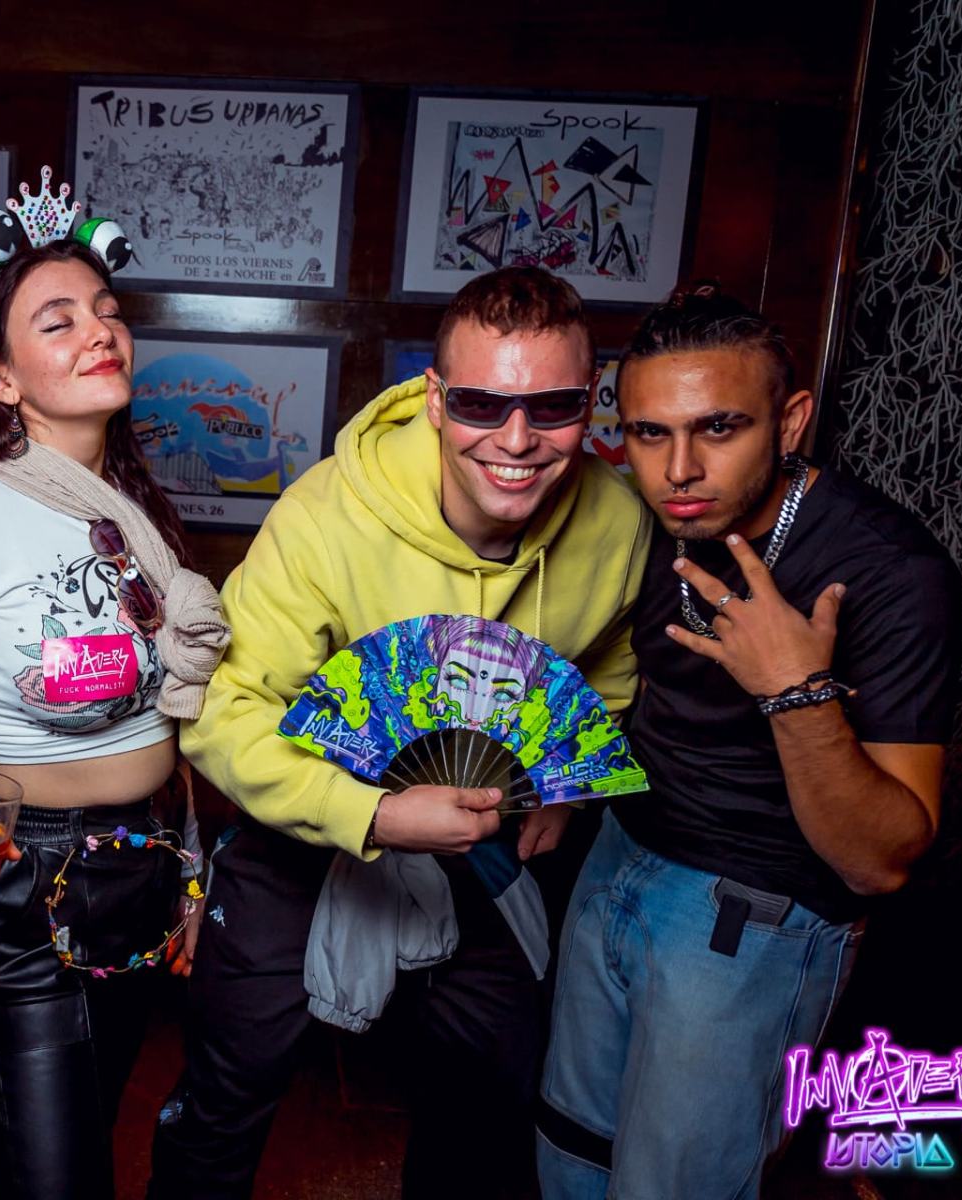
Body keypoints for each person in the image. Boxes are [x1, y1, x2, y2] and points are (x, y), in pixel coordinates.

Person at [149, 266, 652, 1199]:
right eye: (480, 403)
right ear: (433, 397)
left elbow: (607, 674)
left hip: (487, 829)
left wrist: (568, 790)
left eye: (552, 407)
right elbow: (223, 714)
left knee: (494, 1092)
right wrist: (373, 815)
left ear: (593, 399)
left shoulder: (617, 522)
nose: (515, 440)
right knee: (230, 1083)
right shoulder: (326, 517)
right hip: (304, 822)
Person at [534, 285, 962, 1199]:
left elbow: (881, 863)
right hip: (616, 858)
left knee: (676, 1186)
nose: (679, 469)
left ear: (791, 422)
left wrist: (793, 691)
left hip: (751, 913)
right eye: (649, 433)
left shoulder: (890, 572)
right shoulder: (642, 519)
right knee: (572, 1153)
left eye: (719, 428)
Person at [0, 238, 222, 1200]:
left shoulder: (137, 509)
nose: (99, 332)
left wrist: (189, 869)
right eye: (57, 322)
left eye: (107, 311)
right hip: (22, 882)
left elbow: (173, 723)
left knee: (88, 1134)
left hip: (144, 866)